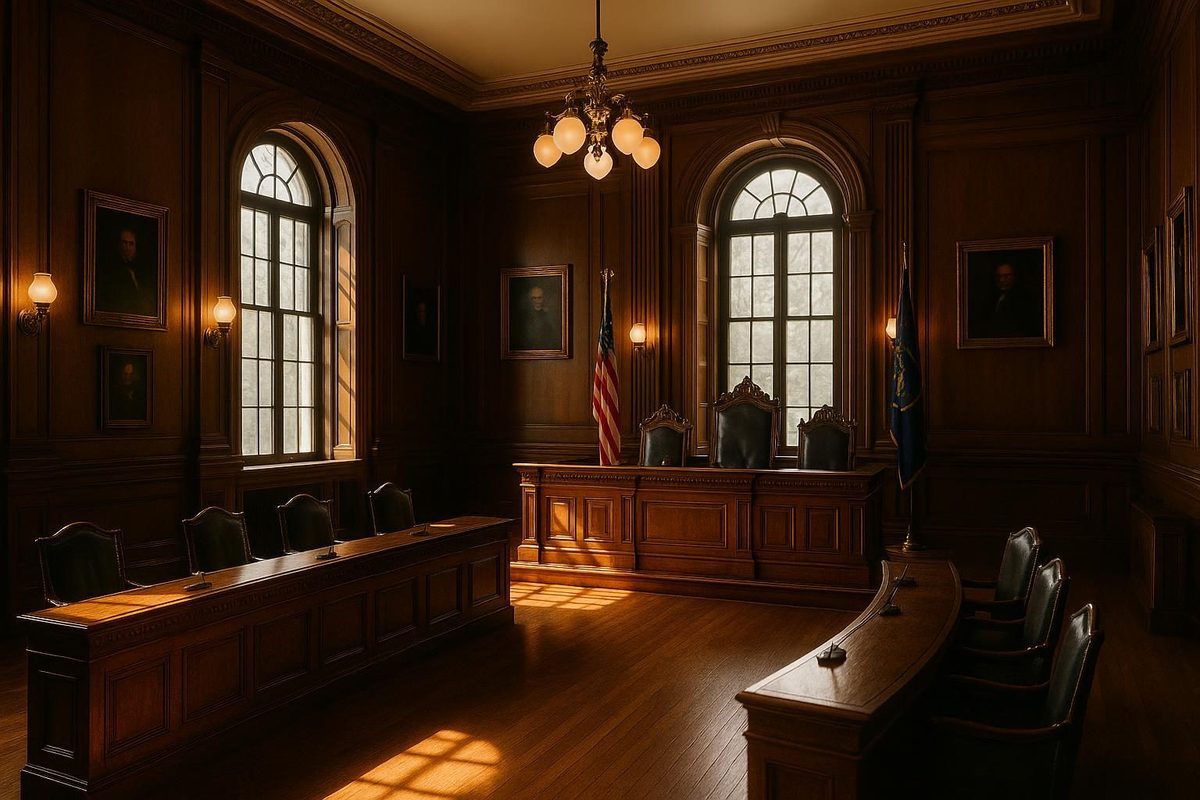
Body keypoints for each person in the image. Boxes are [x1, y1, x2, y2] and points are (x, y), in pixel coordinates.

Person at [96, 225, 156, 318]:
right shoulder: (111, 270)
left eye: (131, 243)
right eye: (124, 243)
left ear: (135, 246)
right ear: (119, 244)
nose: (128, 247)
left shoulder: (142, 271)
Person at [980, 261, 1040, 338]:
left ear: (1014, 277)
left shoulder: (1024, 298)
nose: (1001, 280)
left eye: (1006, 276)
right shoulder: (991, 297)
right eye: (998, 276)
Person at [512, 283, 560, 351]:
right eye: (534, 298)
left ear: (543, 298)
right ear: (531, 299)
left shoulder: (549, 315)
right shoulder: (525, 315)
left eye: (539, 298)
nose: (537, 301)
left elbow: (552, 335)